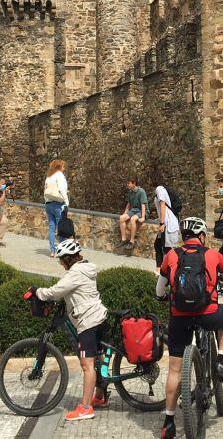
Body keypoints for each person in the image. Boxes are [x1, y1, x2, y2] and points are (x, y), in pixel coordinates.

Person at [155, 217, 223, 439]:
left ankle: (168, 421)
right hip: (208, 315)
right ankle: (221, 361)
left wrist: (164, 296)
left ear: (183, 237)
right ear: (202, 235)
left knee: (175, 369)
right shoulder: (213, 254)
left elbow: (159, 289)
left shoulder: (172, 255)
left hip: (179, 318)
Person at [35, 239, 109, 421]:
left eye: (61, 259)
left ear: (68, 258)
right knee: (98, 359)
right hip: (99, 316)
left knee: (87, 365)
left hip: (88, 321)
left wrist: (37, 292)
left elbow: (56, 291)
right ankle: (100, 396)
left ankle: (85, 408)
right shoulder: (86, 268)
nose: (60, 262)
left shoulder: (75, 273)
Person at [44, 159, 70, 256]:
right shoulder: (60, 176)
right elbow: (62, 190)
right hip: (58, 204)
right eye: (63, 166)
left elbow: (46, 192)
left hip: (48, 204)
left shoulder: (49, 177)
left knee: (51, 228)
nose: (64, 168)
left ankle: (52, 251)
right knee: (61, 228)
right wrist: (67, 202)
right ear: (59, 167)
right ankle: (62, 250)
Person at [153, 181, 181, 268]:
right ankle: (159, 268)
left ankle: (177, 267)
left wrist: (162, 223)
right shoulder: (162, 189)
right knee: (158, 245)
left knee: (167, 249)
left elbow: (162, 205)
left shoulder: (159, 189)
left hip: (167, 223)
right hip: (167, 222)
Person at [118, 178, 147, 249]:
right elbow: (128, 204)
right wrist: (125, 213)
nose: (127, 185)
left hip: (140, 211)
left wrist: (143, 217)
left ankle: (132, 241)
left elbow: (143, 205)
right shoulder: (130, 193)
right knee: (121, 218)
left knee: (133, 219)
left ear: (134, 184)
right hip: (133, 210)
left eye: (129, 183)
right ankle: (123, 239)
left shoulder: (141, 191)